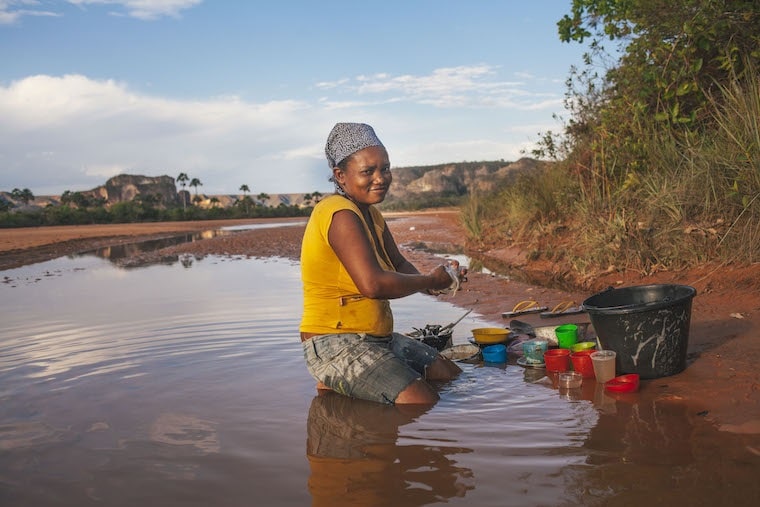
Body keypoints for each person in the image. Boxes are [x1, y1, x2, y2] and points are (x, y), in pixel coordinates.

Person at [300, 122, 465, 405]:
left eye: (385, 168)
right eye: (368, 171)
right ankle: (335, 379)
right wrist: (429, 281)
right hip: (334, 343)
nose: (381, 178)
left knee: (448, 374)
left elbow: (399, 263)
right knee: (422, 401)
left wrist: (440, 281)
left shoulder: (372, 215)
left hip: (378, 338)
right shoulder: (338, 213)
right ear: (340, 176)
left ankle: (346, 387)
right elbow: (373, 285)